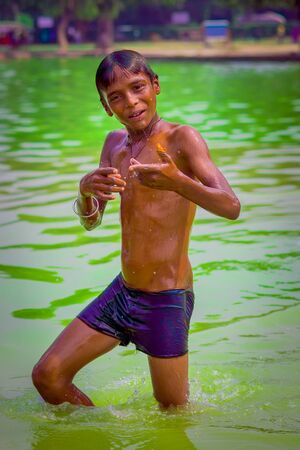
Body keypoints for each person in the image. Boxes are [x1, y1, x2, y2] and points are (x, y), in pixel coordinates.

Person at [32, 50, 240, 410]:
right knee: (48, 376)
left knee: (172, 414)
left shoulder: (182, 139)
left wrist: (178, 182)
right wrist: (84, 190)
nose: (130, 101)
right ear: (105, 106)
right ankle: (106, 431)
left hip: (166, 299)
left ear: (155, 85)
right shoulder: (114, 144)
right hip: (123, 293)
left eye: (138, 87)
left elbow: (231, 206)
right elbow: (91, 221)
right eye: (116, 96)